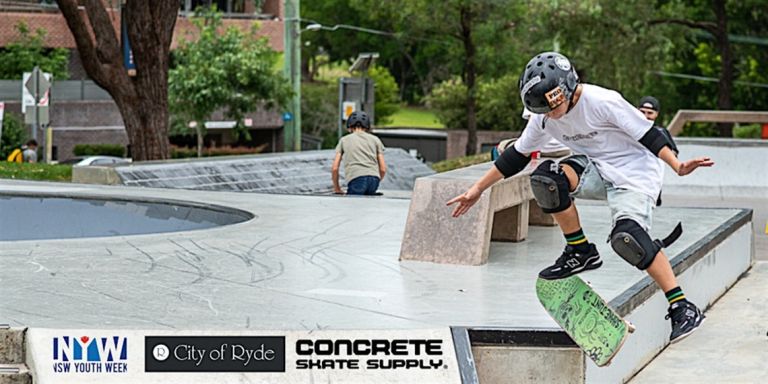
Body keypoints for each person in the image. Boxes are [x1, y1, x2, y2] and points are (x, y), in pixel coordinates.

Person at [447, 52, 713, 343]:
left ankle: (681, 306)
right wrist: (477, 189)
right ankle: (580, 251)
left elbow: (649, 135)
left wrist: (677, 166)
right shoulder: (543, 117)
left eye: (555, 107)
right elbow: (516, 156)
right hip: (596, 168)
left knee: (629, 239)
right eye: (545, 111)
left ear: (568, 88)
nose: (552, 115)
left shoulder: (602, 101)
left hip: (635, 175)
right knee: (547, 180)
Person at [331, 111, 387, 195]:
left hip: (356, 178)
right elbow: (383, 169)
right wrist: (376, 179)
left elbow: (335, 168)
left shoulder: (344, 140)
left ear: (349, 126)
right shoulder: (375, 140)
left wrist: (337, 188)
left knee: (353, 206)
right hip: (374, 179)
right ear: (367, 126)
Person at [638, 96, 678, 206]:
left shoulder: (660, 132)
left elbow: (674, 153)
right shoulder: (628, 130)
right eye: (642, 112)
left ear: (656, 114)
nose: (645, 116)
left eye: (650, 113)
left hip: (651, 180)